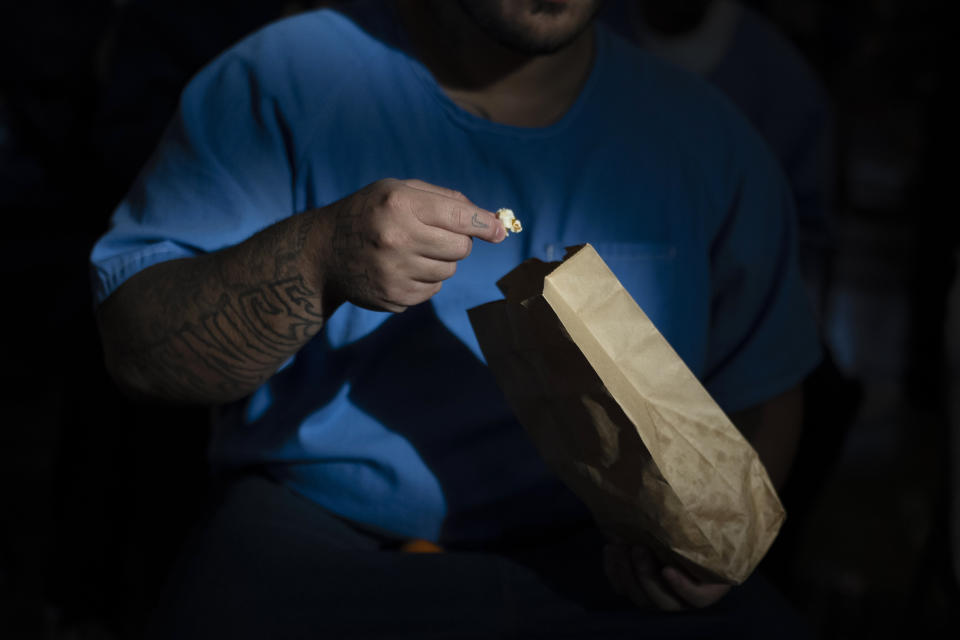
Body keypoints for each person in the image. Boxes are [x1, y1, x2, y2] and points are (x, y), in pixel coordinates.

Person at [90, 0, 821, 637]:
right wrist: (317, 259)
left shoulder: (703, 134)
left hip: (609, 559)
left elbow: (765, 377)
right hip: (324, 544)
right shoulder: (281, 79)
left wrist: (718, 547)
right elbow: (138, 351)